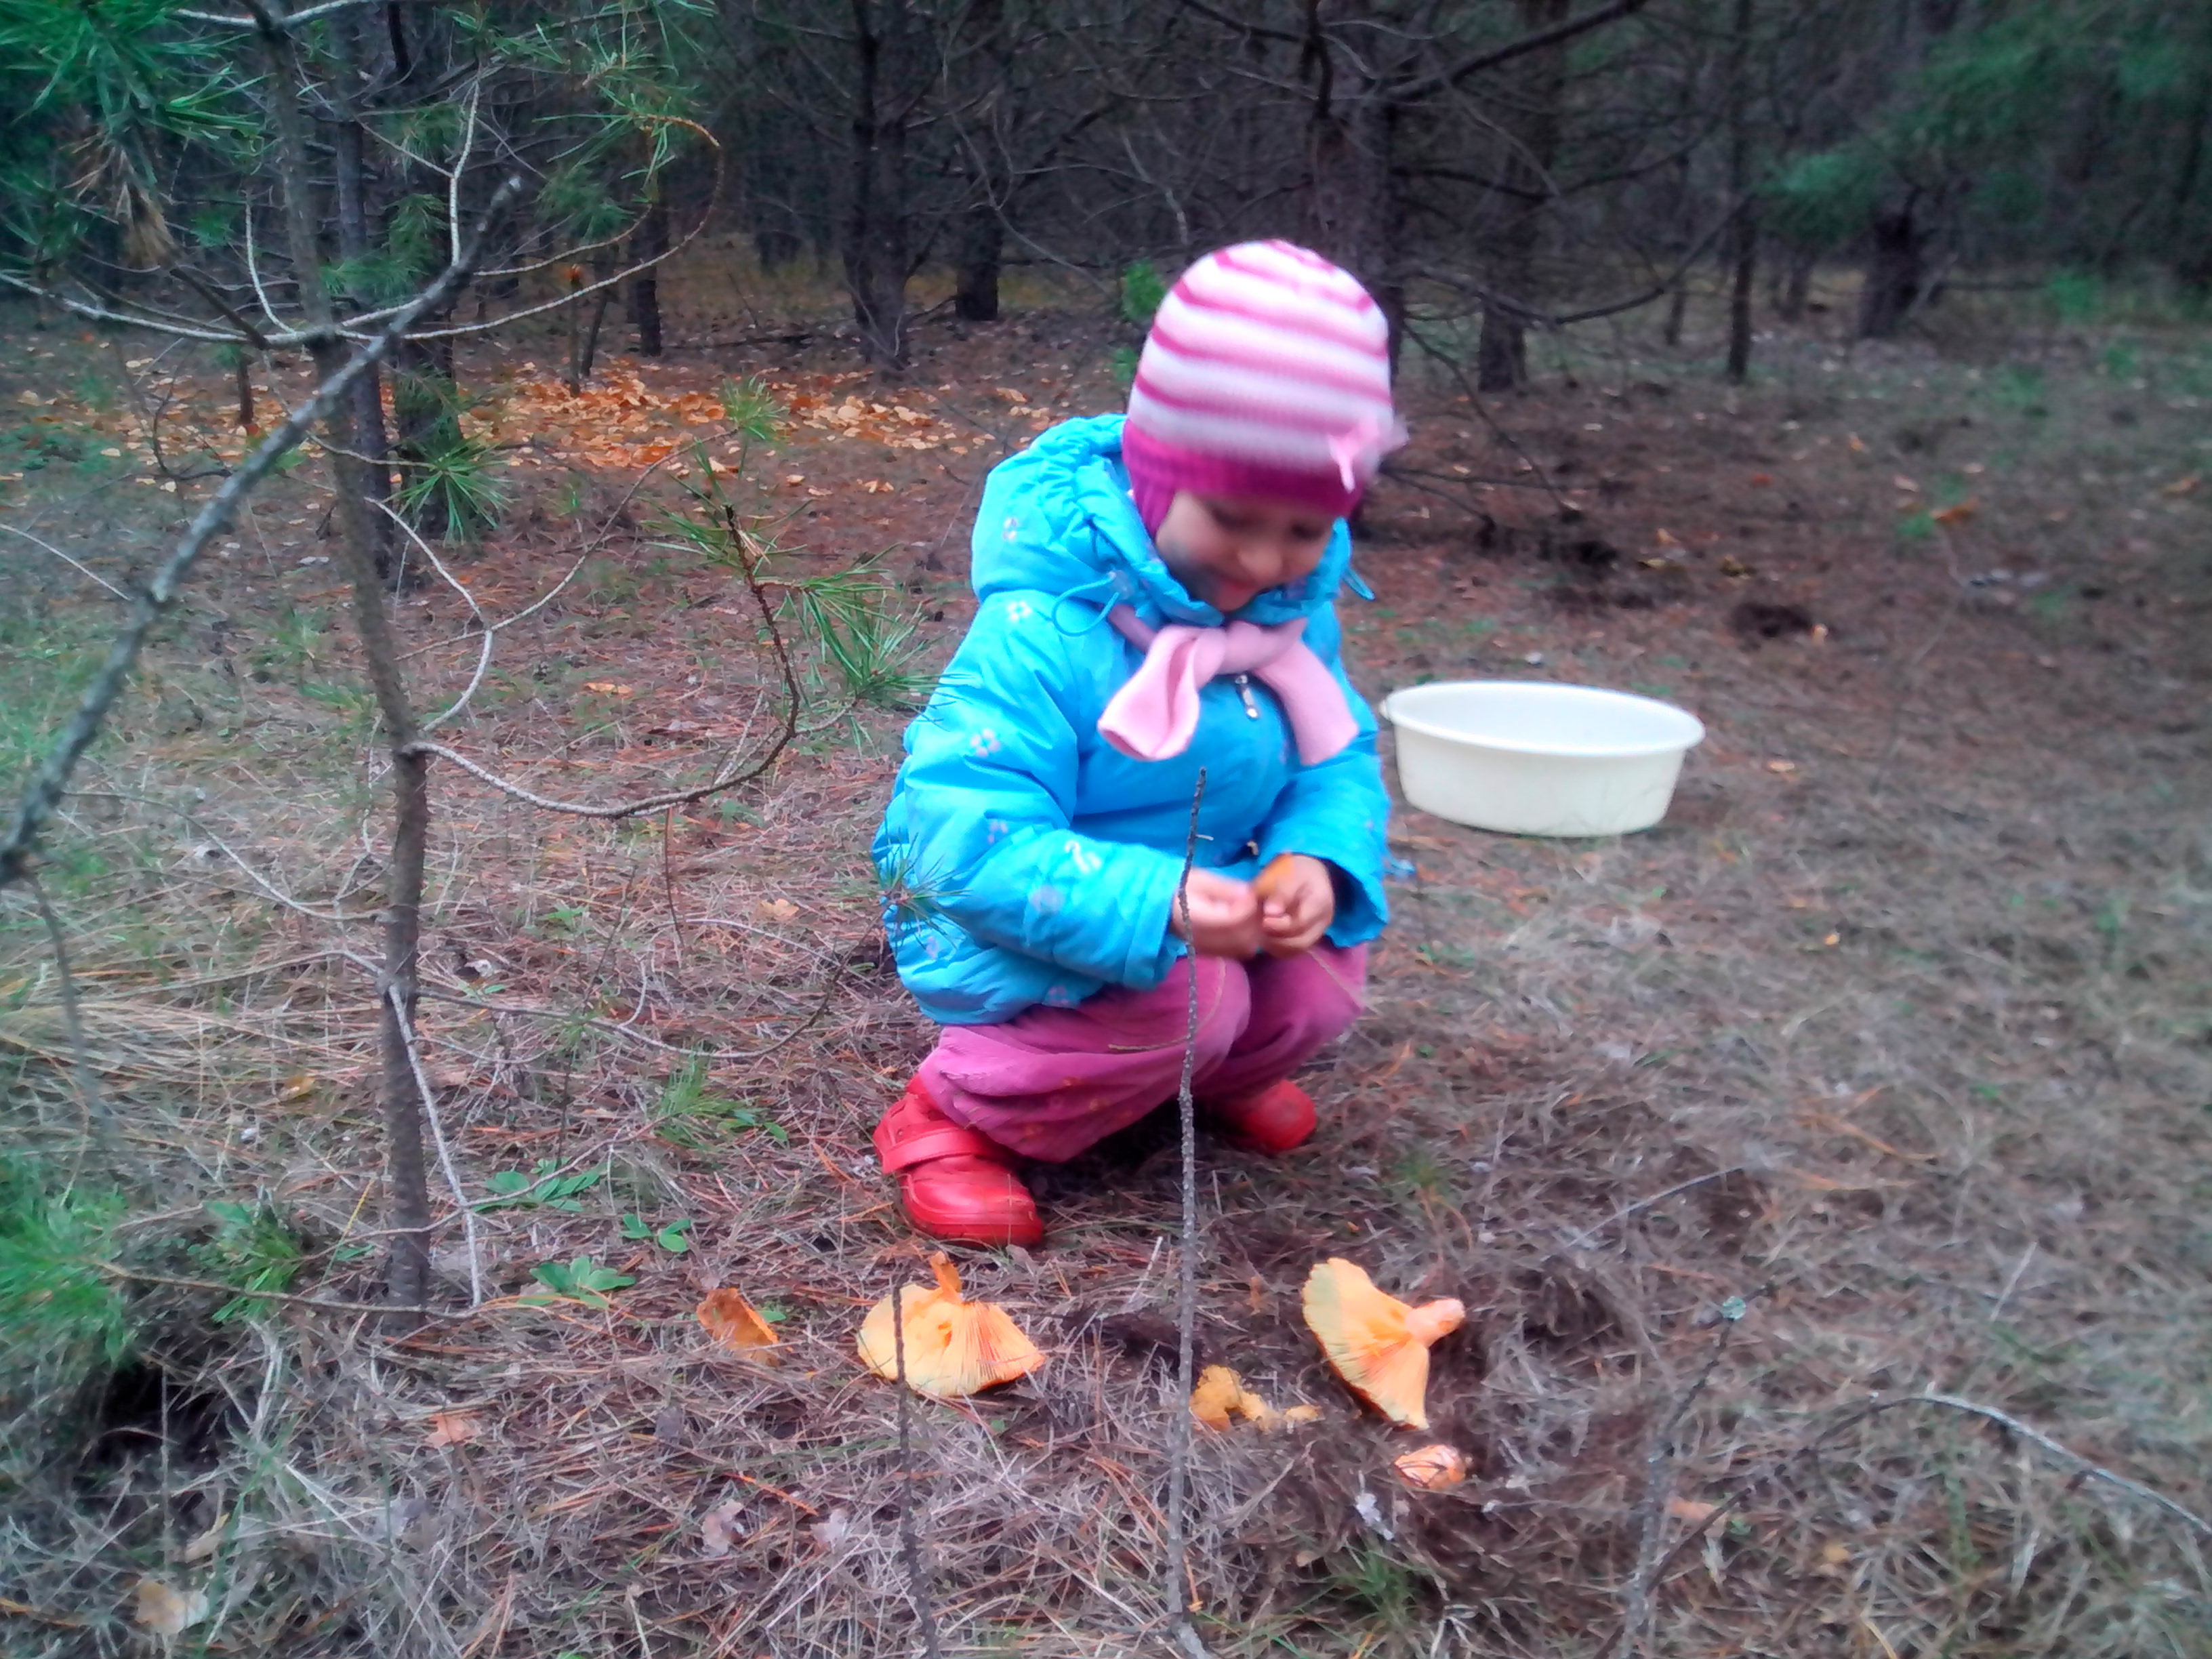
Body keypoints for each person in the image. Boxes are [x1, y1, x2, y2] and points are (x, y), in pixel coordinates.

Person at [870, 240, 1402, 1247]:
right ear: (1160, 486)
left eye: (1302, 529)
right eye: (1232, 517)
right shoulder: (1048, 632)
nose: (1261, 558)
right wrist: (1149, 900)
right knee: (1184, 996)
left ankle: (1204, 1074)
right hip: (1020, 915)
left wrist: (1317, 858)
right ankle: (956, 1115)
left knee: (1319, 975)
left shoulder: (1292, 621)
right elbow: (959, 837)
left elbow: (1337, 760)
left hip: (1214, 898)